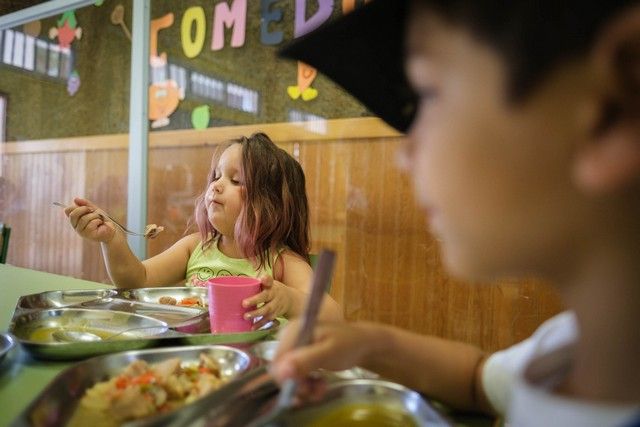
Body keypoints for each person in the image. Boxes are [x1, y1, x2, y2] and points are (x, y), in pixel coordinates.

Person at [271, 1, 640, 425]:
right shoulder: (570, 347)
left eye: (428, 93)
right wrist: (365, 345)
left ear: (614, 106)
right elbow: (477, 380)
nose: (405, 156)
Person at [62, 132, 343, 328]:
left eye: (236, 180)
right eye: (217, 176)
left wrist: (288, 299)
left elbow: (333, 317)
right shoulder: (195, 247)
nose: (216, 186)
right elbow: (136, 280)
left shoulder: (282, 262)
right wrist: (112, 240)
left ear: (270, 203)